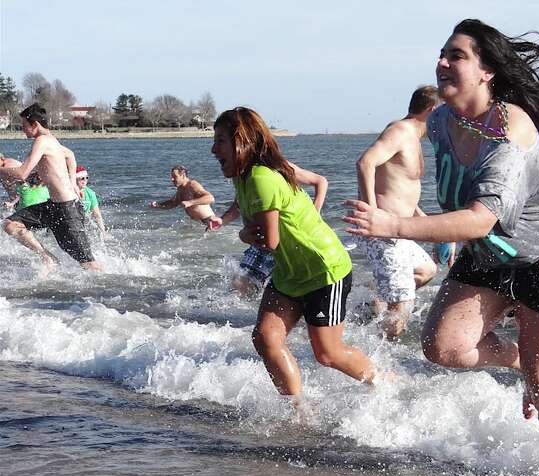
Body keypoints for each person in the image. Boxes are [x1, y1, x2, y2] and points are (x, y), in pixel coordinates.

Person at [345, 19, 539, 473]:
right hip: (490, 252)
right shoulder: (440, 120)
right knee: (442, 347)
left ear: (487, 71)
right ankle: (520, 362)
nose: (442, 62)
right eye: (442, 54)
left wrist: (393, 223)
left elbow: (480, 218)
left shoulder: (510, 130)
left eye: (456, 55)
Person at [211, 106, 378, 401]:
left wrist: (241, 234)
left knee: (327, 353)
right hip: (289, 273)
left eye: (221, 141)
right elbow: (256, 229)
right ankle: (299, 412)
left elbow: (268, 241)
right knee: (265, 339)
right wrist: (246, 231)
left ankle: (386, 383)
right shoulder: (242, 177)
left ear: (242, 141)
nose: (213, 149)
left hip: (323, 270)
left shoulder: (262, 177)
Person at [355, 85, 441, 339]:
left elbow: (400, 186)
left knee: (426, 270)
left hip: (399, 230)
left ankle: (373, 298)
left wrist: (429, 225)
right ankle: (384, 355)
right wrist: (371, 211)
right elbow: (365, 162)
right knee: (402, 305)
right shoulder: (400, 131)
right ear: (432, 110)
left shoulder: (412, 136)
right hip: (381, 231)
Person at [0, 104, 100, 271]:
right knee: (11, 223)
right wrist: (72, 182)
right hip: (53, 205)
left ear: (35, 124)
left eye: (24, 125)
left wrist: (71, 183)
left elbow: (21, 173)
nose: (22, 130)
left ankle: (113, 292)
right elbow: (70, 156)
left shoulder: (43, 141)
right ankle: (47, 257)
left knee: (88, 264)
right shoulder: (51, 140)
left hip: (68, 209)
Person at [208, 163, 329, 296]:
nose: (215, 150)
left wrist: (314, 213)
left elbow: (320, 181)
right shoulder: (242, 174)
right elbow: (238, 203)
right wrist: (222, 220)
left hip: (290, 241)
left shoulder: (277, 166)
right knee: (240, 286)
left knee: (289, 290)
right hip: (262, 240)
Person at [149, 165, 216, 223]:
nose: (172, 179)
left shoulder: (192, 184)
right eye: (171, 177)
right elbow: (173, 203)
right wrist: (158, 205)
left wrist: (190, 202)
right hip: (199, 224)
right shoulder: (180, 189)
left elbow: (210, 198)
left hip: (210, 222)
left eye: (175, 177)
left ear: (183, 175)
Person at [75, 166, 110, 237]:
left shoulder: (90, 193)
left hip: (84, 222)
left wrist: (103, 232)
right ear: (75, 179)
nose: (85, 180)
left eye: (86, 178)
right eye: (82, 178)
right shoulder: (69, 192)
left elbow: (97, 214)